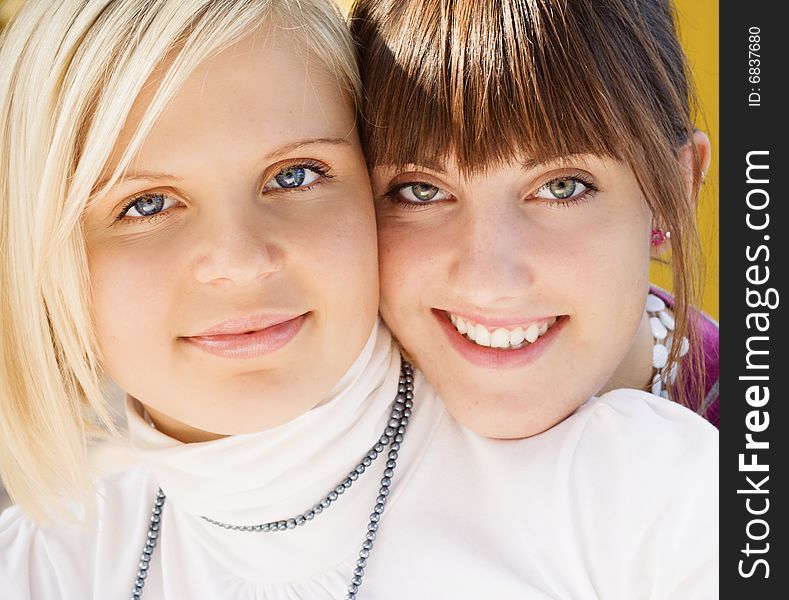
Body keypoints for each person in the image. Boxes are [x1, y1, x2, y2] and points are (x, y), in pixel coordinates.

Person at [1, 1, 716, 598]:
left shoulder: (641, 492)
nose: (241, 263)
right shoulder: (40, 568)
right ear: (41, 250)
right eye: (146, 203)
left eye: (295, 175)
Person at [350, 0, 720, 438]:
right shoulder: (307, 423)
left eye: (562, 187)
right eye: (422, 190)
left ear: (674, 190)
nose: (487, 285)